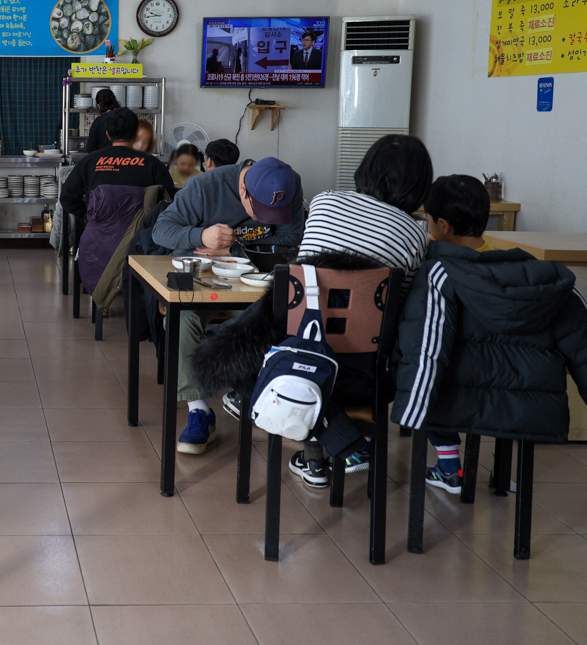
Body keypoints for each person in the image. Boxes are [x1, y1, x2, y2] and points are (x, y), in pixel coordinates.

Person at [393, 177, 587, 497]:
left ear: (442, 225)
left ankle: (447, 462)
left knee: (426, 370)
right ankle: (502, 477)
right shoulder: (531, 273)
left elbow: (422, 350)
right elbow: (580, 342)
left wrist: (409, 410)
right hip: (527, 405)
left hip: (456, 398)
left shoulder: (438, 274)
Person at [283, 134, 432, 486]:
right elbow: (397, 305)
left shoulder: (324, 202)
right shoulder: (415, 233)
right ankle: (348, 443)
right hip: (367, 372)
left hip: (302, 357)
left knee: (247, 366)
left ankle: (325, 449)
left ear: (366, 168)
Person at [152, 155, 305, 454]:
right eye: (259, 210)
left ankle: (260, 394)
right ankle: (199, 410)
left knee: (283, 317)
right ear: (244, 191)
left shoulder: (290, 184)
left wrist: (232, 249)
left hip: (257, 279)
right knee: (180, 317)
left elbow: (290, 235)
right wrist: (200, 235)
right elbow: (161, 229)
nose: (265, 220)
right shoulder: (205, 187)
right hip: (200, 273)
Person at [405, 174, 494, 492]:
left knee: (416, 361)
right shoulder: (500, 260)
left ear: (443, 225)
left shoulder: (435, 268)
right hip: (498, 380)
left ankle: (447, 464)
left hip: (445, 377)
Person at [59, 108, 175, 231]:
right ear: (136, 133)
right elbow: (169, 200)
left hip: (97, 239)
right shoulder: (153, 164)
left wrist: (87, 217)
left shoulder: (88, 162)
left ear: (108, 134)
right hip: (138, 240)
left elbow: (67, 197)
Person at [84, 88, 120, 152]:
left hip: (102, 159)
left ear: (99, 105)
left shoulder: (98, 121)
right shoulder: (124, 117)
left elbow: (91, 148)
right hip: (125, 158)